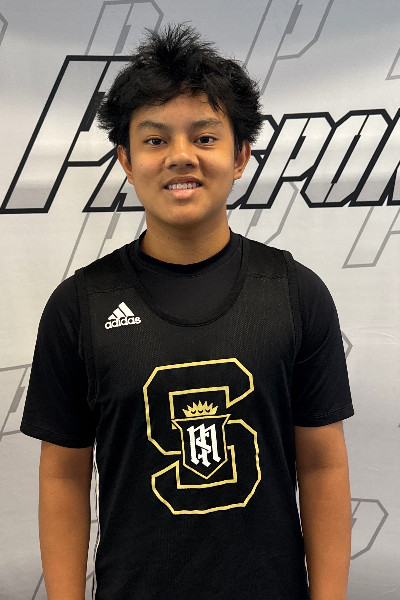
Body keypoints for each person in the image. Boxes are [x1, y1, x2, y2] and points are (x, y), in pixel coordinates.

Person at [20, 23, 354, 600]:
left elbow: (323, 466)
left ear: (240, 155)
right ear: (126, 160)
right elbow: (64, 476)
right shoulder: (80, 306)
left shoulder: (296, 294)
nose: (181, 157)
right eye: (154, 140)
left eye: (204, 137)